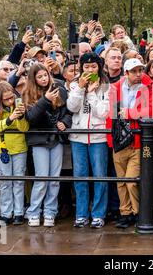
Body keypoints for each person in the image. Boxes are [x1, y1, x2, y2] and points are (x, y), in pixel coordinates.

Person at [106, 58, 153, 228]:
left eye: (140, 70)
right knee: (121, 181)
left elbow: (151, 111)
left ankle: (138, 212)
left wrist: (128, 112)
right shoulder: (115, 88)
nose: (138, 74)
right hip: (119, 140)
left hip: (137, 140)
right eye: (134, 71)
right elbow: (111, 115)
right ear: (126, 73)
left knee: (131, 180)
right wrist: (110, 140)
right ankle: (125, 212)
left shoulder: (149, 87)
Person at [23, 63, 72, 227]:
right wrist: (45, 100)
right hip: (39, 140)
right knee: (42, 177)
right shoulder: (29, 94)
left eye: (45, 75)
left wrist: (64, 122)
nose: (44, 79)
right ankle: (34, 211)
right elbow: (31, 118)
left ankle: (50, 211)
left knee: (54, 179)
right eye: (39, 76)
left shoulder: (59, 89)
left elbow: (68, 112)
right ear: (34, 79)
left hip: (56, 139)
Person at [67, 53, 110, 228]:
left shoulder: (107, 86)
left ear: (99, 67)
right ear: (81, 67)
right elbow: (72, 107)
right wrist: (80, 88)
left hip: (98, 136)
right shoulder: (74, 84)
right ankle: (81, 214)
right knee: (80, 177)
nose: (90, 70)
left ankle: (98, 214)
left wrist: (92, 93)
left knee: (100, 176)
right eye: (86, 67)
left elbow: (103, 113)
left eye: (93, 66)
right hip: (78, 136)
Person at [0, 81, 29, 225]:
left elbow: (24, 128)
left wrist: (20, 117)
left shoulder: (18, 106)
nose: (10, 101)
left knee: (19, 180)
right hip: (3, 148)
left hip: (19, 147)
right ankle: (6, 213)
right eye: (6, 99)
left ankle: (19, 212)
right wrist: (9, 118)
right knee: (5, 182)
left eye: (11, 97)